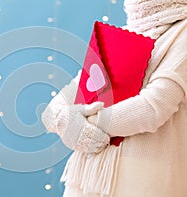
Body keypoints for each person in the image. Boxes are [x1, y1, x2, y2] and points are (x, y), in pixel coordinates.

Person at [41, 0, 187, 196]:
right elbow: (54, 109)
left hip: (142, 184)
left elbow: (153, 107)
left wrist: (80, 125)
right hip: (85, 185)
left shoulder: (182, 33)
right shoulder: (121, 34)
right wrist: (65, 120)